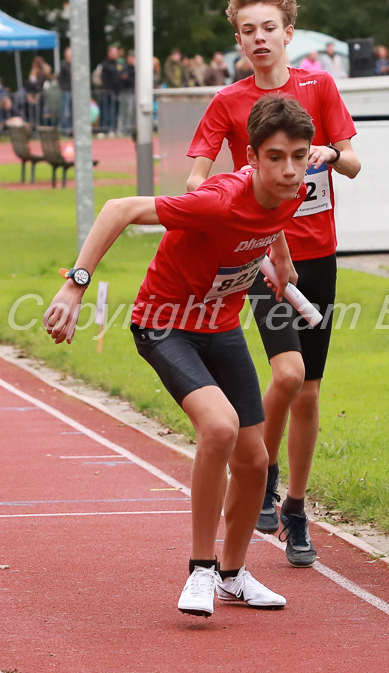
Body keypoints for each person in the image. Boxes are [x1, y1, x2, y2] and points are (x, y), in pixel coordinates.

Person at [43, 94, 315, 618]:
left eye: (299, 156)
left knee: (256, 458)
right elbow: (118, 209)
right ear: (251, 159)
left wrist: (279, 257)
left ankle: (233, 576)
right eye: (276, 158)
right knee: (219, 428)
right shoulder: (216, 199)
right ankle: (200, 570)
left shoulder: (293, 188)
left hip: (221, 324)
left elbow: (273, 220)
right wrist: (75, 287)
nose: (289, 169)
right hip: (165, 324)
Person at [187, 0, 361, 568]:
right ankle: (259, 467)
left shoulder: (320, 86)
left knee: (310, 390)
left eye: (269, 28)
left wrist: (329, 155)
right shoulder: (228, 102)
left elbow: (355, 160)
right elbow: (195, 178)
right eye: (247, 31)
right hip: (260, 253)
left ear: (289, 33)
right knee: (285, 375)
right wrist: (223, 196)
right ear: (237, 38)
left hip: (319, 251)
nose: (259, 39)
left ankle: (294, 506)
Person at [100, 45, 123, 135]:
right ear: (109, 53)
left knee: (117, 111)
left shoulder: (119, 64)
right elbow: (104, 78)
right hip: (108, 92)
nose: (115, 54)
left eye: (116, 52)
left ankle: (116, 128)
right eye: (113, 52)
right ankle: (107, 129)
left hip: (118, 91)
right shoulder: (105, 64)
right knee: (108, 111)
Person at [119, 50, 135, 135]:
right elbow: (124, 78)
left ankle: (132, 128)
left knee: (134, 111)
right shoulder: (124, 66)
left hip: (135, 91)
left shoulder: (137, 67)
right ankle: (125, 128)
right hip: (127, 91)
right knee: (127, 111)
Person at [58, 47, 73, 136]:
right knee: (65, 112)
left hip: (73, 91)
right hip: (66, 91)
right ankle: (65, 131)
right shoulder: (63, 65)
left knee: (73, 112)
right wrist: (63, 88)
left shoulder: (75, 65)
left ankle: (72, 130)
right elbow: (60, 78)